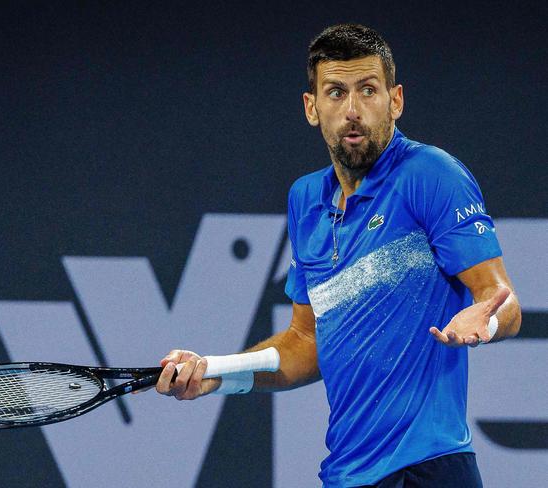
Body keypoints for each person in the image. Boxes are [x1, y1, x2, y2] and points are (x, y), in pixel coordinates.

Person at [155, 23, 522, 487]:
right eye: (335, 92)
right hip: (346, 475)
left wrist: (484, 321)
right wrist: (215, 374)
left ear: (396, 100)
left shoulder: (431, 175)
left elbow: (501, 301)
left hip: (428, 469)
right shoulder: (305, 199)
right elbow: (304, 343)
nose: (353, 110)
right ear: (312, 107)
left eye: (368, 90)